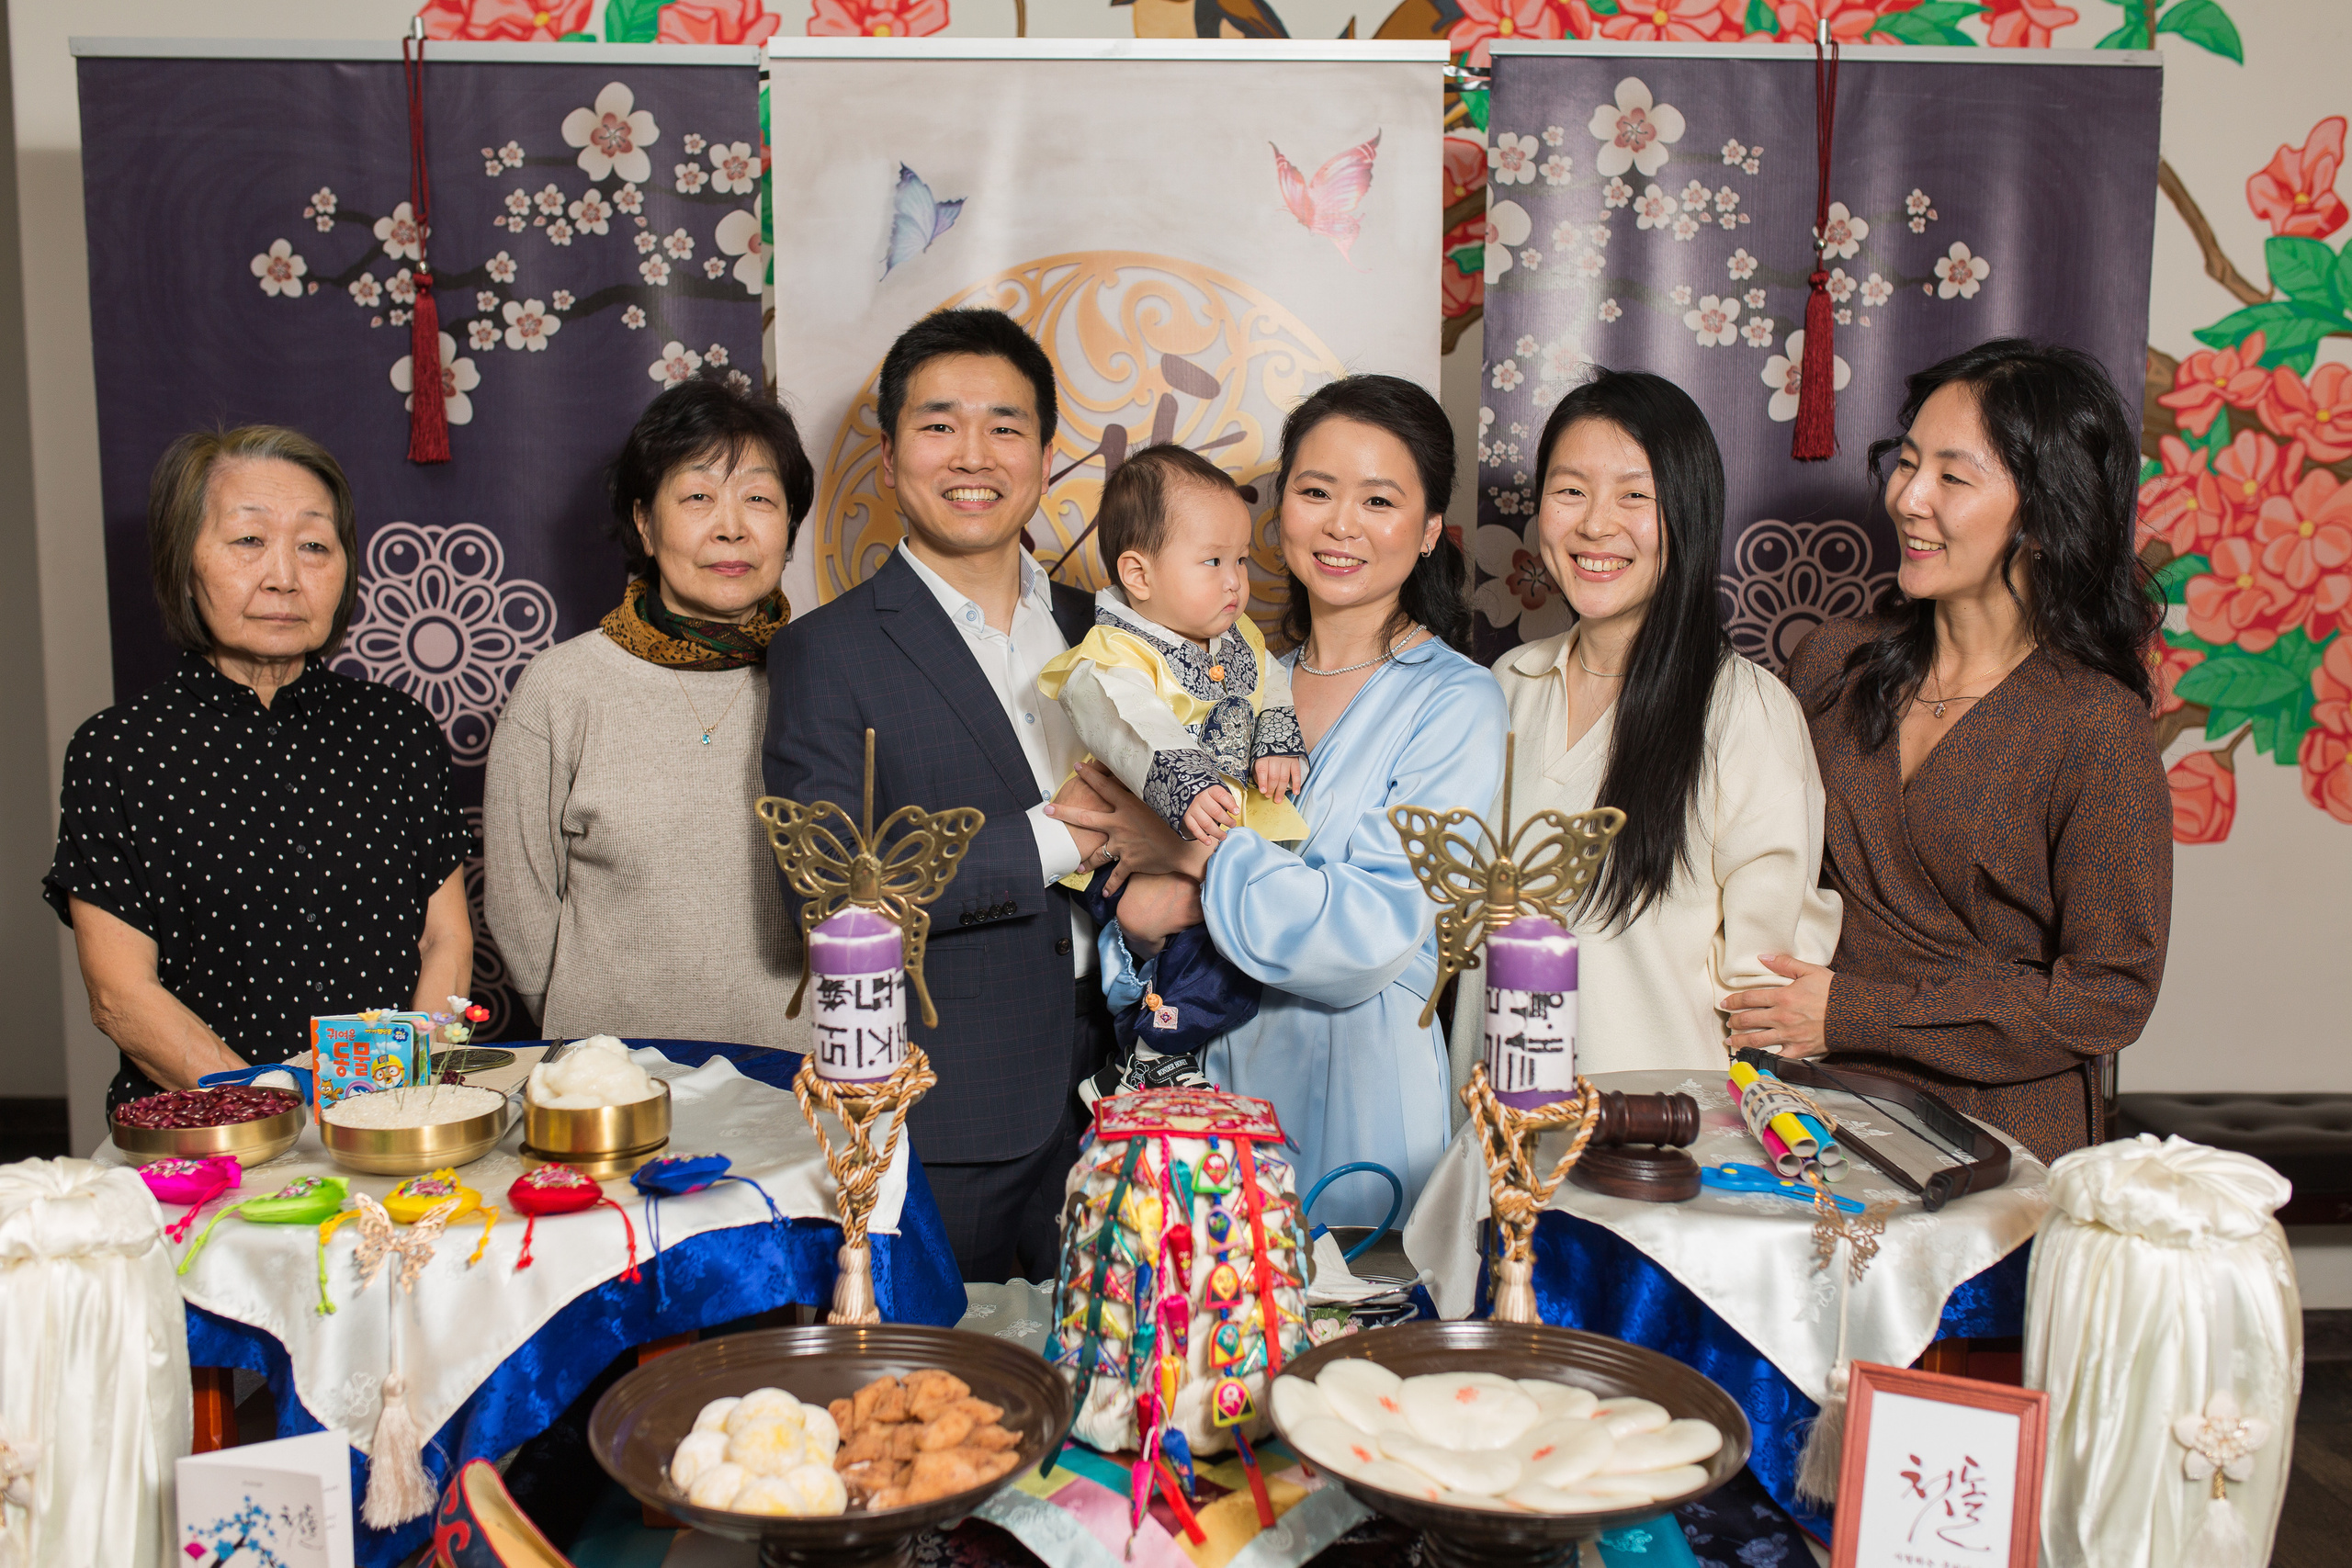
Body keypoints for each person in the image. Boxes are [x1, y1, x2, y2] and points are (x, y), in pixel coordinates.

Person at [765, 307, 1172, 1283]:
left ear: (1046, 455)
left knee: (1127, 1357)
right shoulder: (827, 651)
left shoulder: (1113, 626)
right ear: (889, 453)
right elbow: (828, 899)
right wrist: (1061, 839)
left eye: (1004, 426)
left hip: (1132, 1087)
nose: (973, 455)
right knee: (942, 1365)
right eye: (939, 424)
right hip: (954, 1111)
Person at [1049, 375, 1510, 1224]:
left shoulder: (1457, 700)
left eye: (1379, 500)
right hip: (1198, 1104)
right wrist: (1140, 929)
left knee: (1345, 1303)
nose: (1341, 524)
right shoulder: (1233, 682)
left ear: (1429, 532)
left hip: (1356, 1101)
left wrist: (1191, 855)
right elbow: (1130, 905)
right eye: (1316, 491)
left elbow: (1370, 936)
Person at [1735, 338, 2172, 1161]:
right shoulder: (1833, 660)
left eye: (1952, 477)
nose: (1909, 497)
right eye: (1906, 463)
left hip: (1998, 1140)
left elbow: (2108, 996)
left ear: (2043, 515)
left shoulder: (2096, 724)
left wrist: (1857, 1013)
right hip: (1811, 1111)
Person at [45, 426, 473, 1111]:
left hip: (392, 1124)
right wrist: (274, 1109)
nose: (284, 577)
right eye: (248, 540)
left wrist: (399, 1108)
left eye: (314, 545)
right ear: (184, 562)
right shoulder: (118, 750)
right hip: (208, 1130)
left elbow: (443, 938)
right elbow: (120, 994)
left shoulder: (399, 729)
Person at [1447, 370, 1841, 1084]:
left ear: (1690, 511)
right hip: (1484, 1122)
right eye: (1571, 491)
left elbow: (1768, 999)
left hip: (1656, 1136)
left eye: (1635, 495)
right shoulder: (1505, 685)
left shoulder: (1745, 712)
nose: (1596, 524)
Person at [483, 377, 816, 1051]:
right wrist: (586, 1033)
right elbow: (521, 905)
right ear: (644, 522)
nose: (731, 526)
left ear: (788, 527)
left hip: (794, 1070)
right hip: (610, 1074)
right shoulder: (562, 688)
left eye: (759, 498)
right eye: (698, 497)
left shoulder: (830, 677)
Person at [1036, 444, 1308, 1104]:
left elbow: (1270, 684)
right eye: (1213, 562)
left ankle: (1140, 1059)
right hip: (1130, 842)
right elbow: (1128, 724)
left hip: (1206, 833)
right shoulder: (1114, 652)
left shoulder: (1238, 639)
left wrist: (1275, 739)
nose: (1235, 581)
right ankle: (1152, 1056)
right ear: (1138, 572)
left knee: (1227, 952)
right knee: (1206, 954)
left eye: (1241, 560)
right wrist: (1184, 782)